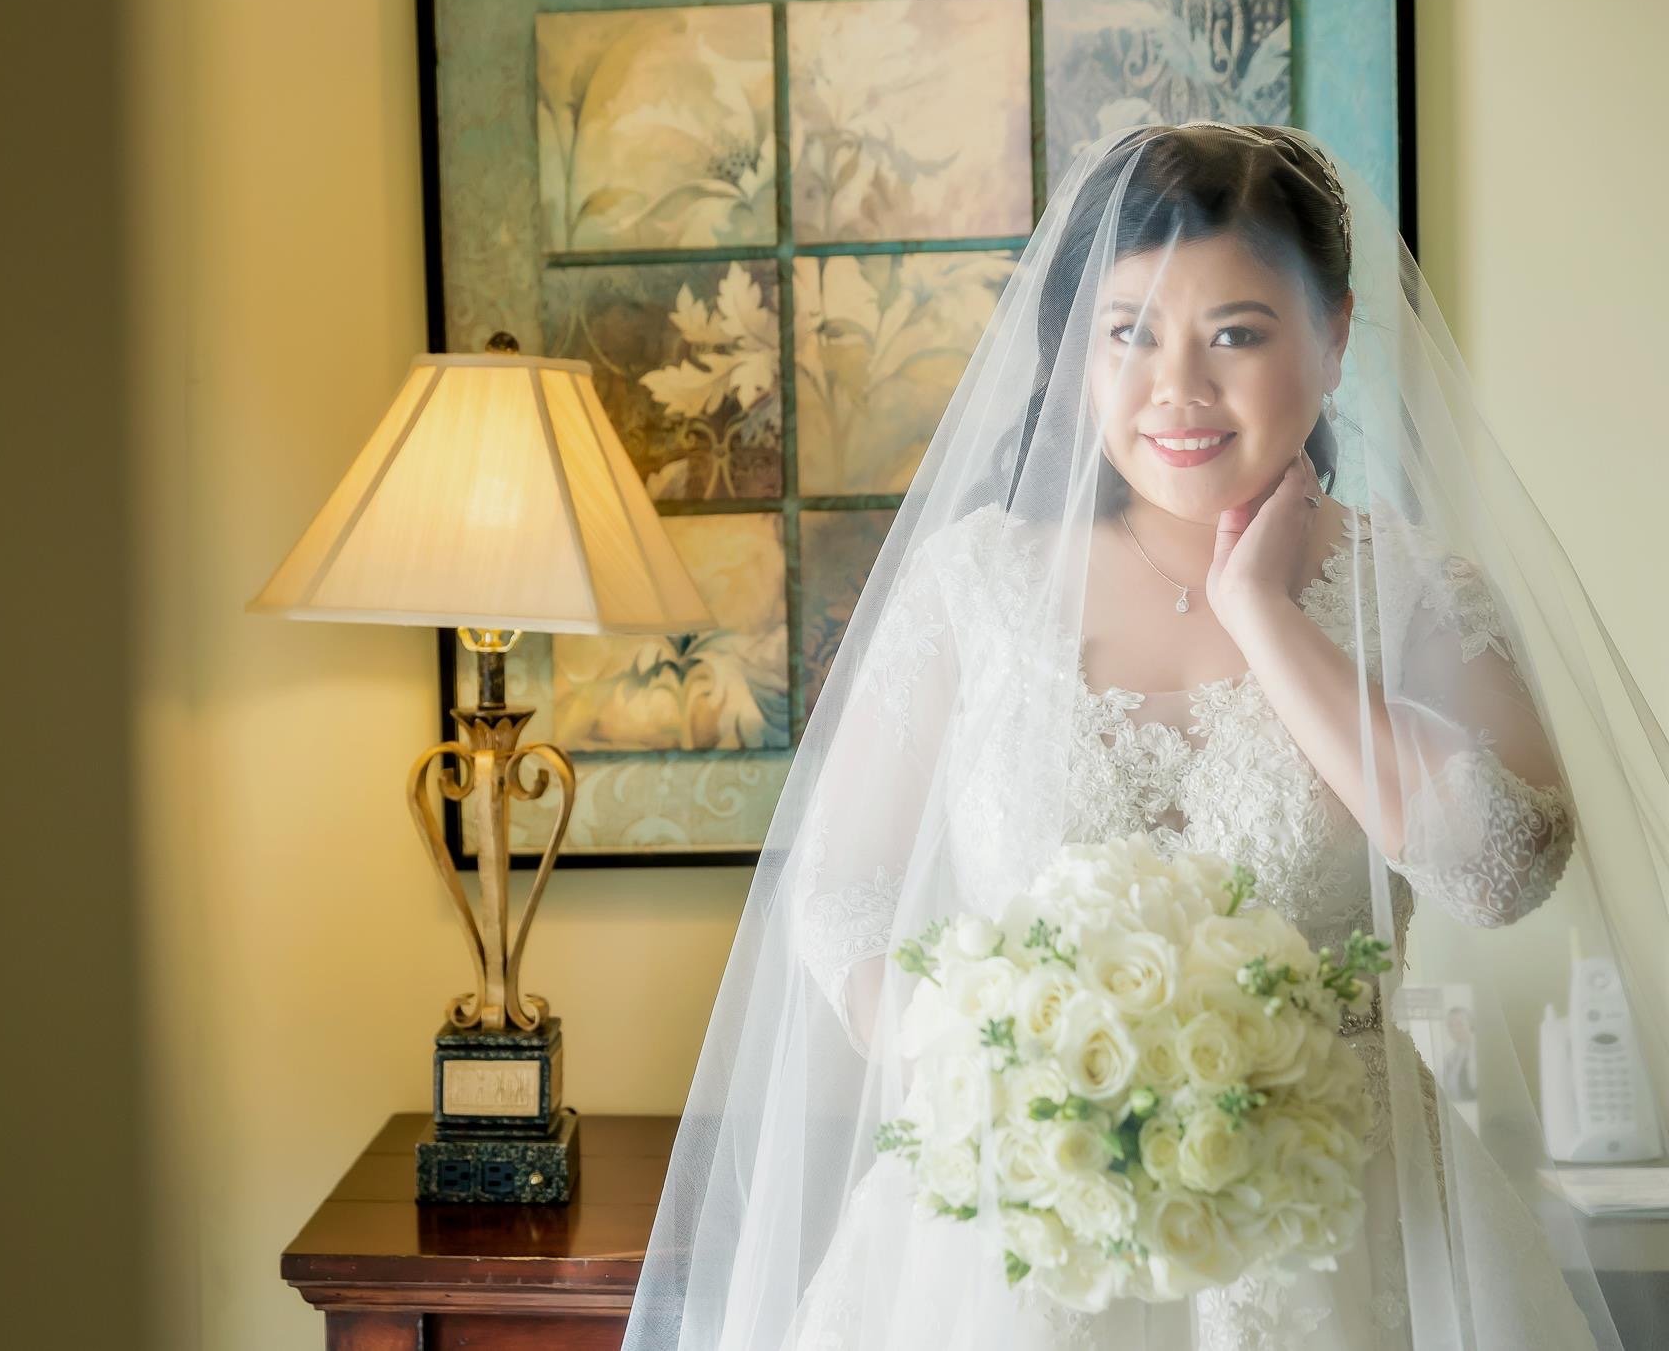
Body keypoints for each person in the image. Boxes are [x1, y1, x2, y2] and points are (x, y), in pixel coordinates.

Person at [619, 122, 1669, 1350]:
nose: (1176, 387)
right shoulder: (977, 587)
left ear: (1330, 336)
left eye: (1235, 333)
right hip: (1013, 1218)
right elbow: (842, 896)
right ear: (1075, 357)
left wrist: (1268, 620)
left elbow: (1499, 870)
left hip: (1345, 1236)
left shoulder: (1418, 591)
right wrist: (972, 1065)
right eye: (1127, 334)